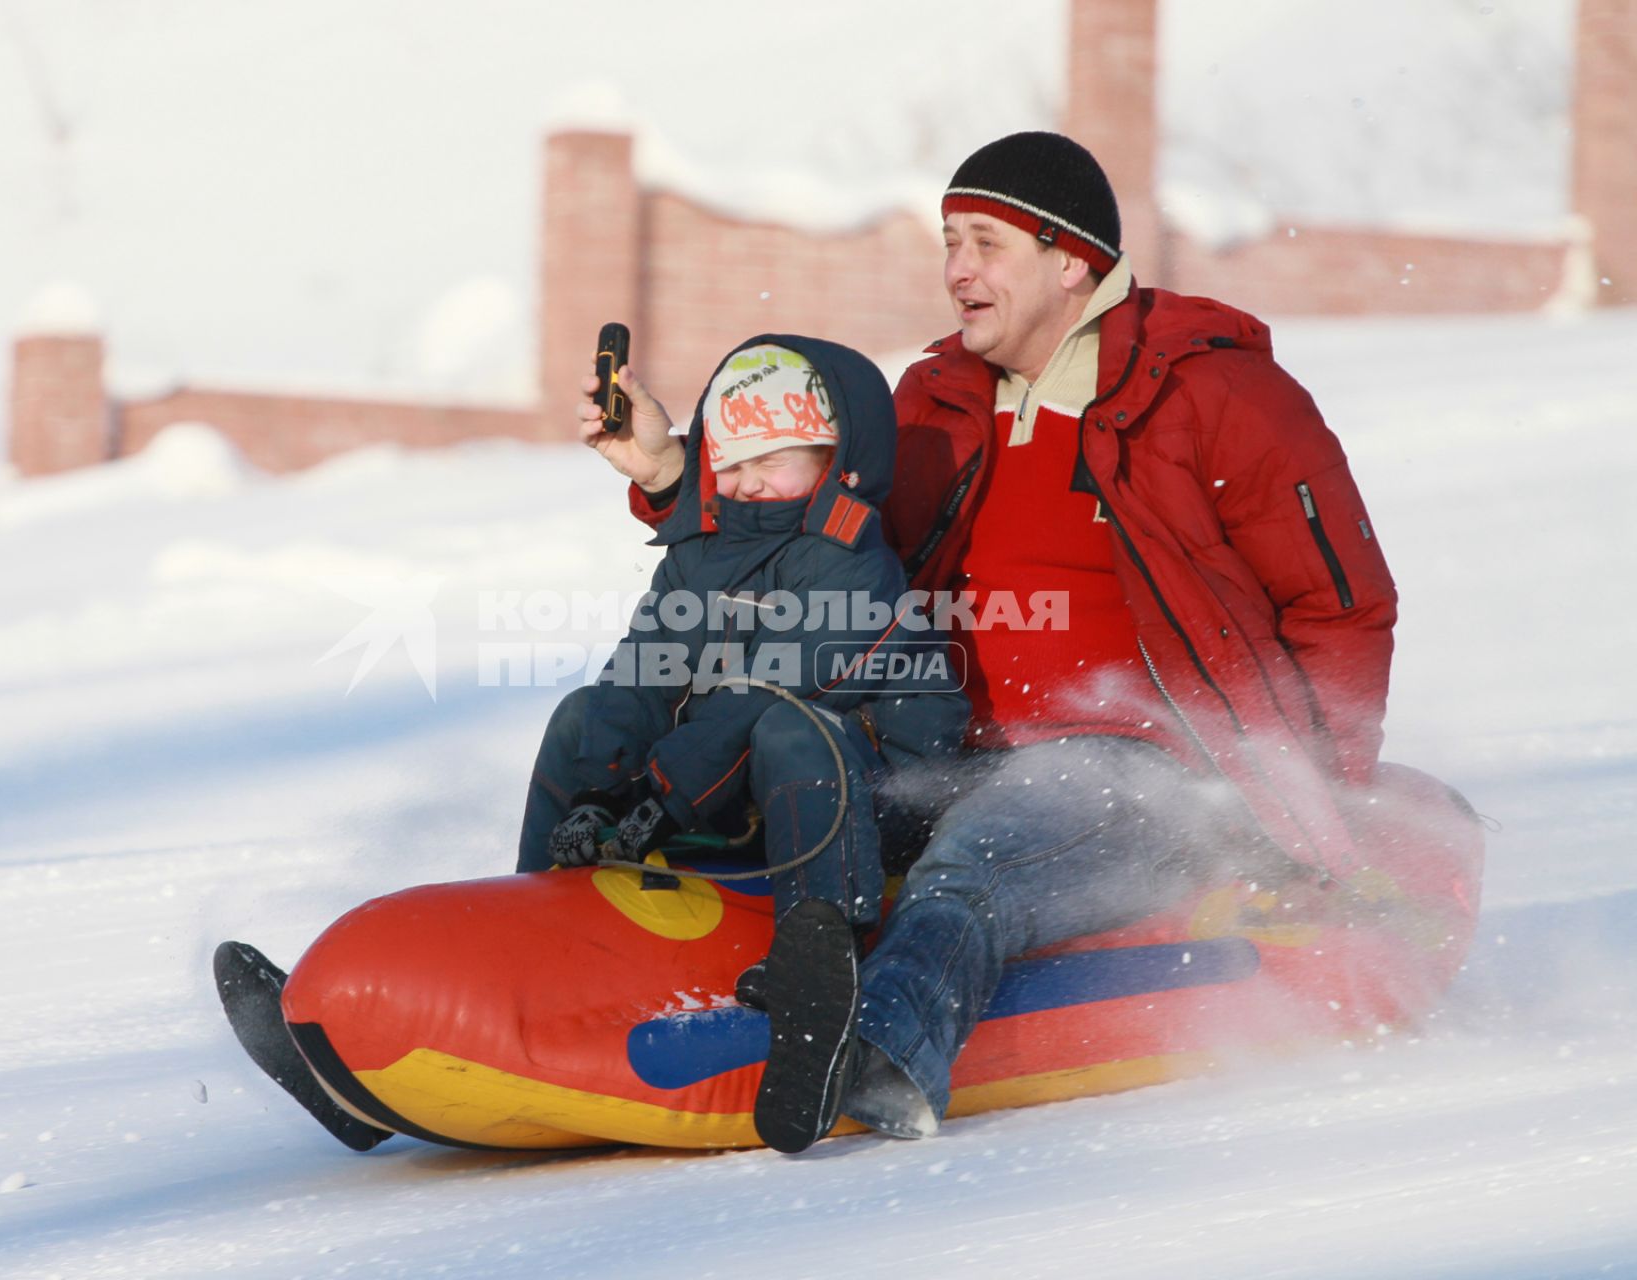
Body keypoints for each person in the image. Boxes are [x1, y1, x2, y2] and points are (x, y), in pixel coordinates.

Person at [582, 132, 1399, 1144]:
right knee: (749, 786)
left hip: (1146, 769)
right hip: (939, 745)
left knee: (972, 864)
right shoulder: (936, 402)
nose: (957, 269)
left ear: (1071, 262)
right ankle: (582, 987)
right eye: (949, 242)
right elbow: (817, 559)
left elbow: (1341, 608)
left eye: (985, 243)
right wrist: (668, 474)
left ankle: (869, 1063)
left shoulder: (1218, 398)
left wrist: (1310, 812)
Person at [520, 335, 968, 1153]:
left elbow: (770, 695)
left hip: (885, 795)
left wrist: (659, 796)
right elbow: (644, 675)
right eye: (729, 462)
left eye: (774, 458)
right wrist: (600, 790)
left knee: (789, 728)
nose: (748, 481)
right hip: (744, 786)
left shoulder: (852, 565)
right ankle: (533, 936)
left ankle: (819, 987)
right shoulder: (701, 556)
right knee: (587, 714)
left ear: (836, 458)